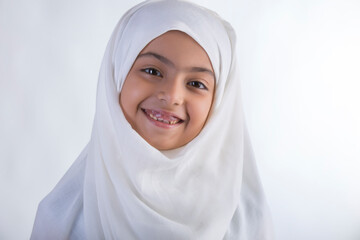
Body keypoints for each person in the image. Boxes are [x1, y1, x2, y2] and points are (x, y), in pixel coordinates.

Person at [31, 0, 273, 239]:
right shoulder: (62, 221)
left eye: (196, 84)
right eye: (152, 71)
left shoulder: (246, 224)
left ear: (219, 102)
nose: (172, 96)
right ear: (117, 73)